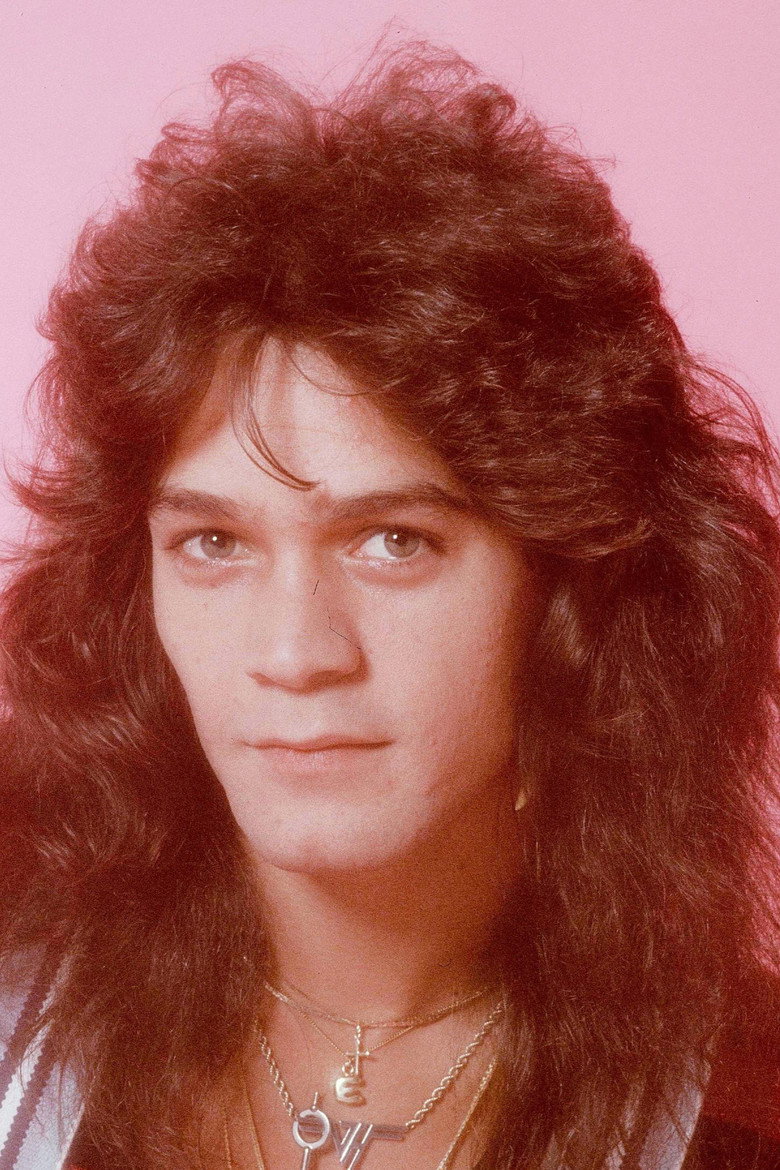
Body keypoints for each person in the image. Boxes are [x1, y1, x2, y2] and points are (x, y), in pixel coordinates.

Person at [0, 39, 778, 1170]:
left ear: (568, 588)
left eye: (394, 542)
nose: (294, 652)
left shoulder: (749, 1101)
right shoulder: (19, 1009)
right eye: (214, 543)